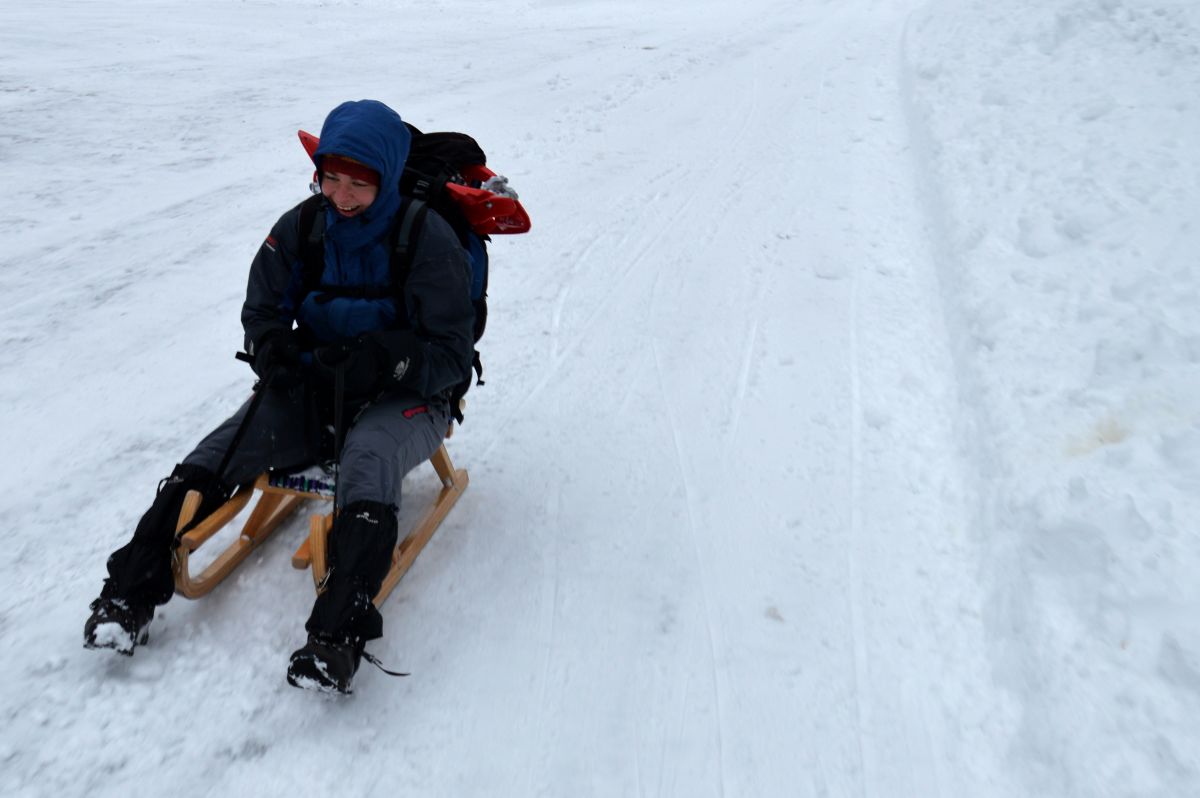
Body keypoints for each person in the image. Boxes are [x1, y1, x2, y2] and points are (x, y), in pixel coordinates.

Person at [83, 99, 475, 694]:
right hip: (316, 384)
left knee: (368, 462)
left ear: (387, 180)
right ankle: (126, 597)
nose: (341, 196)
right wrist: (271, 349)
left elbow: (451, 351)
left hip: (409, 393)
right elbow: (262, 306)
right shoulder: (302, 226)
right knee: (219, 451)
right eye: (330, 178)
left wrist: (387, 356)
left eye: (359, 184)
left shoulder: (427, 238)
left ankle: (335, 638)